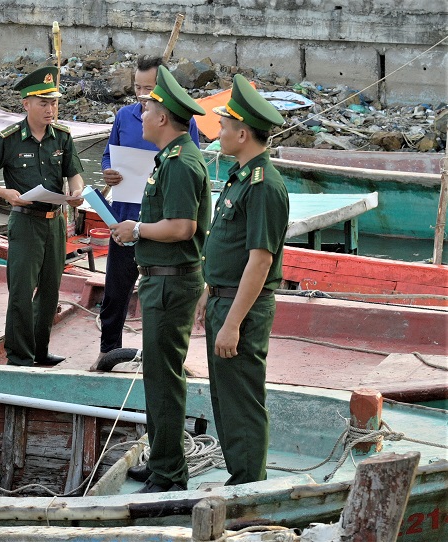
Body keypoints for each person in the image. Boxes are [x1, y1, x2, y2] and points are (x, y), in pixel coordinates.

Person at [109, 65, 210, 493]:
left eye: (148, 109)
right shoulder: (169, 159)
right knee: (156, 375)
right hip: (161, 279)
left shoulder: (181, 163)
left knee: (164, 379)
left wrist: (137, 229)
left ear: (164, 117)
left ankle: (169, 474)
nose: (142, 115)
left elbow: (183, 227)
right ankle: (162, 461)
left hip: (172, 282)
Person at [195, 74, 289, 485]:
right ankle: (240, 475)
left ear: (243, 133)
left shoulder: (264, 186)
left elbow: (260, 261)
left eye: (224, 126)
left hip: (242, 308)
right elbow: (227, 245)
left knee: (242, 399)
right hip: (223, 299)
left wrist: (233, 322)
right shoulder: (240, 176)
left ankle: (248, 484)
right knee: (225, 396)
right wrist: (208, 291)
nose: (219, 133)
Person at [92, 55, 201, 371]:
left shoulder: (182, 126)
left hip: (160, 220)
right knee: (116, 289)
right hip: (124, 213)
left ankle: (162, 358)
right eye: (137, 88)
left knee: (159, 292)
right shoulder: (124, 117)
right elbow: (108, 156)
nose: (142, 97)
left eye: (148, 90)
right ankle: (109, 352)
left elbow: (189, 165)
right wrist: (109, 171)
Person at [0, 66, 85, 367]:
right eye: (43, 103)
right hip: (25, 222)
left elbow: (74, 174)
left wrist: (76, 191)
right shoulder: (9, 139)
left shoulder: (62, 137)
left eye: (54, 103)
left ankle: (40, 350)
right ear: (26, 104)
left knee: (50, 291)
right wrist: (5, 193)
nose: (50, 110)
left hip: (55, 222)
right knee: (21, 292)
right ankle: (20, 356)